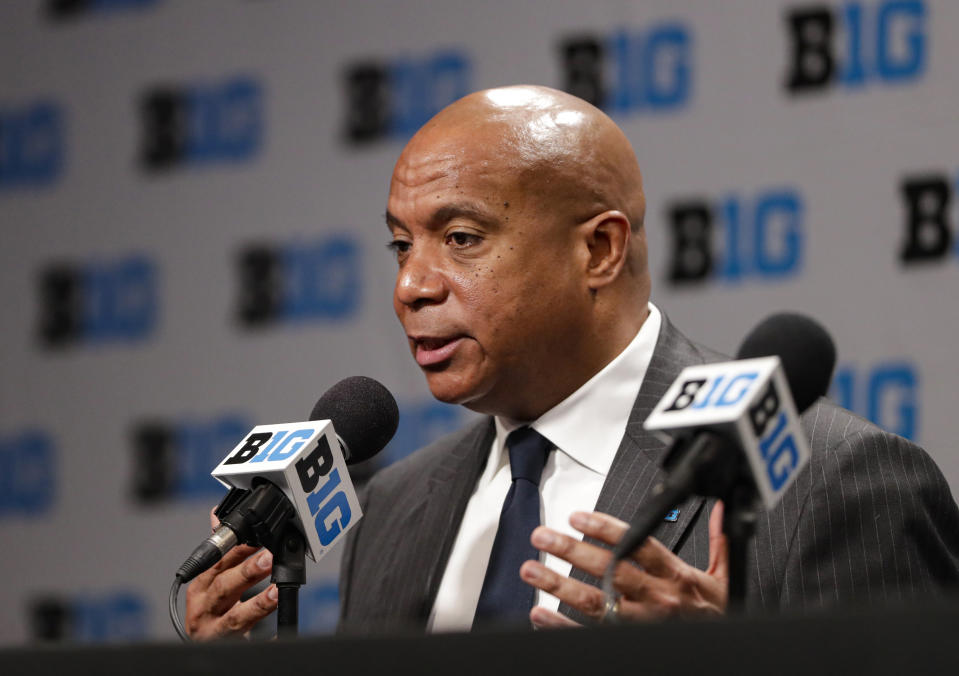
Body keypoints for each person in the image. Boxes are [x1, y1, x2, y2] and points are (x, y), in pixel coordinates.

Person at [184, 85, 959, 639]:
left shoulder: (830, 478)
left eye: (460, 239)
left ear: (598, 249)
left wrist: (735, 662)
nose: (411, 286)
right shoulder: (394, 511)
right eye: (400, 244)